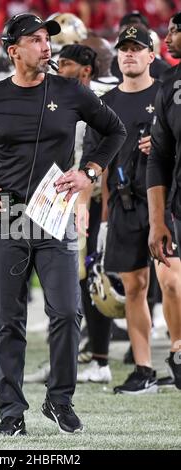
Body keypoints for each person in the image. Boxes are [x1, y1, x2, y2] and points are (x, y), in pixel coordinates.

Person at [0, 13, 126, 436]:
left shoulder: (70, 91)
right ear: (13, 50)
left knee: (67, 313)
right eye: (34, 39)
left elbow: (115, 131)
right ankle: (11, 414)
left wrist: (89, 171)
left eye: (46, 39)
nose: (45, 45)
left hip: (55, 212)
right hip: (7, 214)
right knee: (8, 320)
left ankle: (59, 400)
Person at [84, 25, 168, 394]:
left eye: (138, 49)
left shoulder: (169, 95)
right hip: (123, 203)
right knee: (134, 286)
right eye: (124, 49)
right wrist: (102, 220)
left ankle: (177, 354)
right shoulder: (106, 105)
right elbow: (97, 165)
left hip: (167, 201)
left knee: (172, 282)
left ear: (152, 56)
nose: (129, 54)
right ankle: (144, 367)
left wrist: (165, 147)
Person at [147, 11, 181, 390]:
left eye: (174, 30)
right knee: (172, 282)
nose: (167, 37)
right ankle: (178, 349)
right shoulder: (169, 82)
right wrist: (158, 220)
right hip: (179, 204)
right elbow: (158, 156)